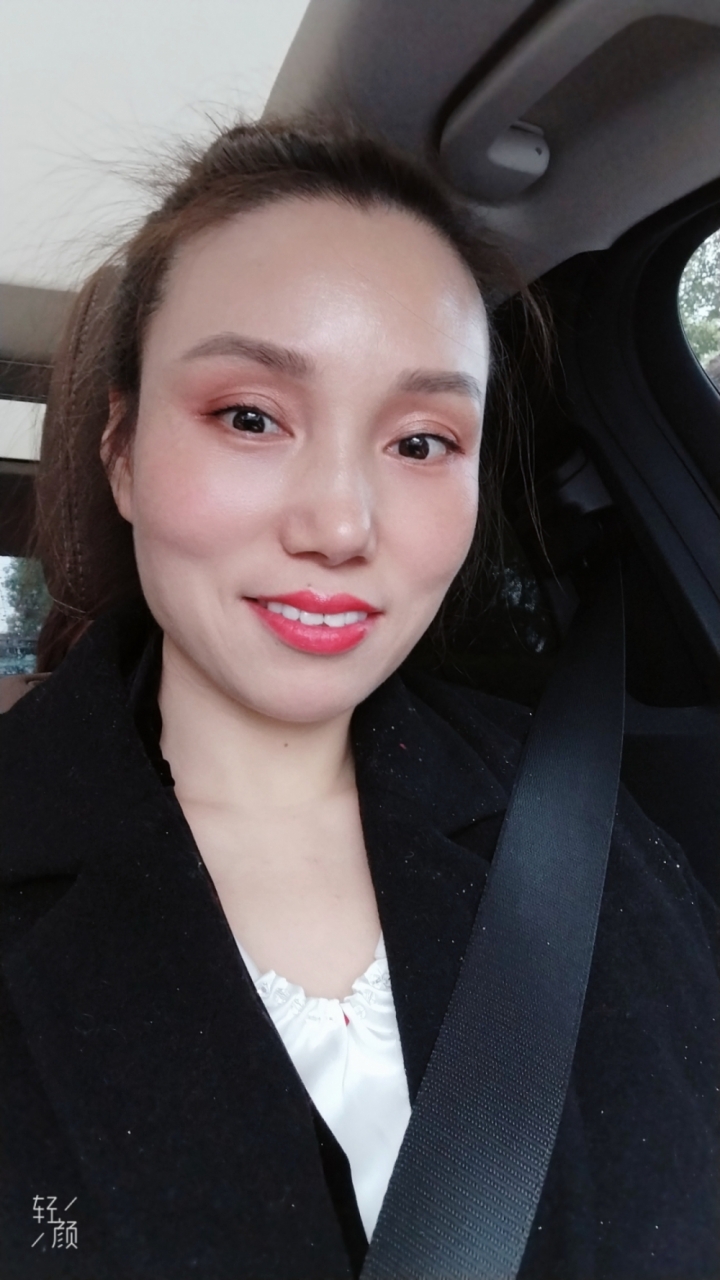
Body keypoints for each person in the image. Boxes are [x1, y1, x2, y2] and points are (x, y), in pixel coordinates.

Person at [1, 119, 718, 1280]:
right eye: (249, 416)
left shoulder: (596, 836)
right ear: (122, 450)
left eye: (423, 441)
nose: (341, 523)